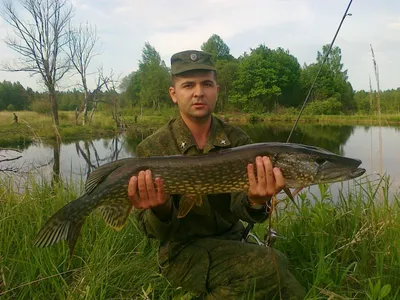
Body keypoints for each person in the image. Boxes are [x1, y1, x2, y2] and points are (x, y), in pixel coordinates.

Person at [127, 50, 306, 299]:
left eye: (206, 84)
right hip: (182, 250)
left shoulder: (237, 140)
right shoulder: (153, 148)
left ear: (216, 91)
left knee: (287, 283)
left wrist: (256, 201)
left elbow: (240, 208)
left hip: (231, 241)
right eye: (188, 85)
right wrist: (161, 209)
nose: (198, 92)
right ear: (173, 94)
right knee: (271, 266)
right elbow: (151, 231)